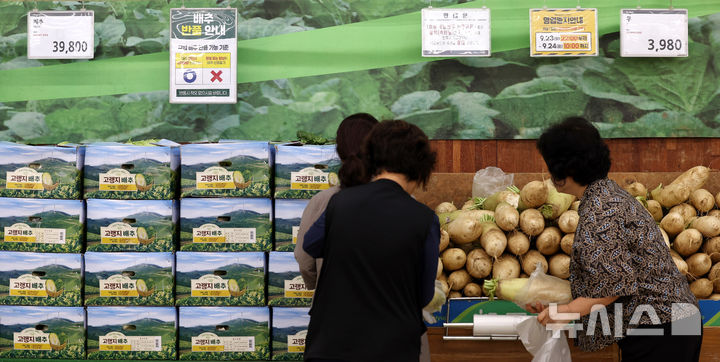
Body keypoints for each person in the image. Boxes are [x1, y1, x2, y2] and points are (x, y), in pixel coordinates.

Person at [530, 117, 702, 361]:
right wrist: (555, 305)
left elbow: (612, 286)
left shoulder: (599, 212)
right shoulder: (608, 195)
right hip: (675, 322)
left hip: (663, 327)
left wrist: (566, 311)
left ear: (564, 170)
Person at [301, 120, 439, 362]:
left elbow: (311, 246)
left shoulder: (340, 203)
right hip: (393, 349)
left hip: (331, 346)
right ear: (421, 169)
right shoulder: (424, 219)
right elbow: (424, 295)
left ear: (373, 159)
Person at [294, 112, 378, 290]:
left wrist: (318, 285)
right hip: (385, 312)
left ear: (339, 152)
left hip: (331, 308)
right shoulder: (402, 203)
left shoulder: (322, 201)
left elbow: (304, 258)